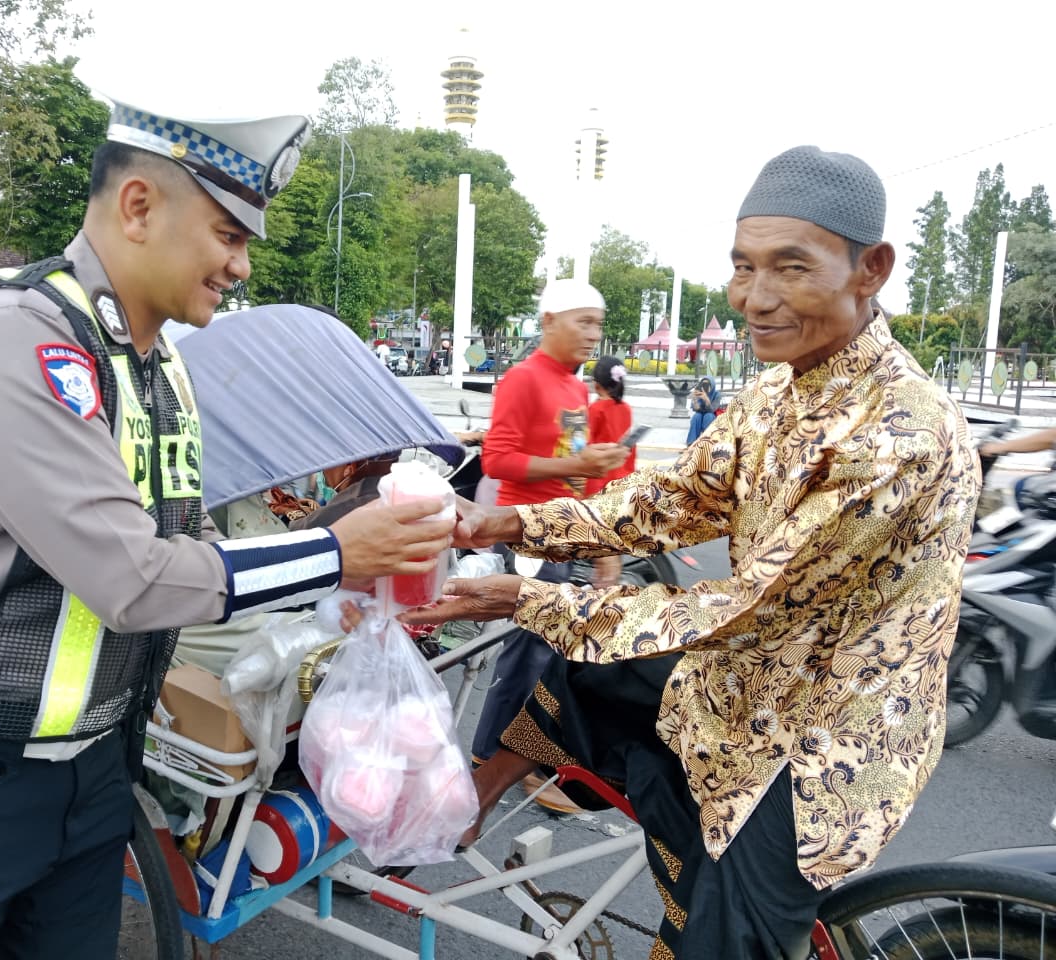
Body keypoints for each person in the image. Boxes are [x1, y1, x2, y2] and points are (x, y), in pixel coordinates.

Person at [0, 99, 454, 960]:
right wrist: (338, 552)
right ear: (139, 206)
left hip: (88, 775)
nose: (241, 265)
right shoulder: (15, 336)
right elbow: (133, 577)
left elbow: (195, 554)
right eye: (227, 233)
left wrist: (378, 548)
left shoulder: (154, 365)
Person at [402, 146, 980, 959]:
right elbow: (668, 501)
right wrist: (506, 529)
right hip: (751, 670)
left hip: (824, 736)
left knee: (722, 937)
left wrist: (524, 596)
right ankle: (474, 796)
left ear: (870, 269)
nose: (757, 297)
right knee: (583, 665)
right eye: (744, 268)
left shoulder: (899, 436)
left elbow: (742, 606)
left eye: (791, 267)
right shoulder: (776, 390)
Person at [470, 278, 627, 813]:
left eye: (598, 324)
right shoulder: (524, 379)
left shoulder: (573, 386)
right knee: (530, 653)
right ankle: (490, 761)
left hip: (564, 531)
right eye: (583, 321)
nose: (593, 334)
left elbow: (574, 469)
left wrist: (601, 540)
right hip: (526, 530)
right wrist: (574, 466)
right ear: (548, 322)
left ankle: (523, 759)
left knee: (555, 649)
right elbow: (498, 461)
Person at [586, 356, 635, 589]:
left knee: (599, 548)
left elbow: (583, 448)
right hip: (622, 482)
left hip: (598, 485)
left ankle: (601, 592)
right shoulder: (625, 409)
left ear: (596, 383)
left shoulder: (595, 409)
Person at [684, 375, 722, 444]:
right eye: (703, 384)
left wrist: (706, 399)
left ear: (712, 385)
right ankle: (691, 442)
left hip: (711, 415)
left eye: (707, 384)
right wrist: (694, 400)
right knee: (696, 416)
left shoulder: (717, 394)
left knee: (708, 416)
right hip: (700, 414)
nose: (705, 386)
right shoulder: (699, 392)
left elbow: (712, 409)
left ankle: (706, 441)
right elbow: (696, 409)